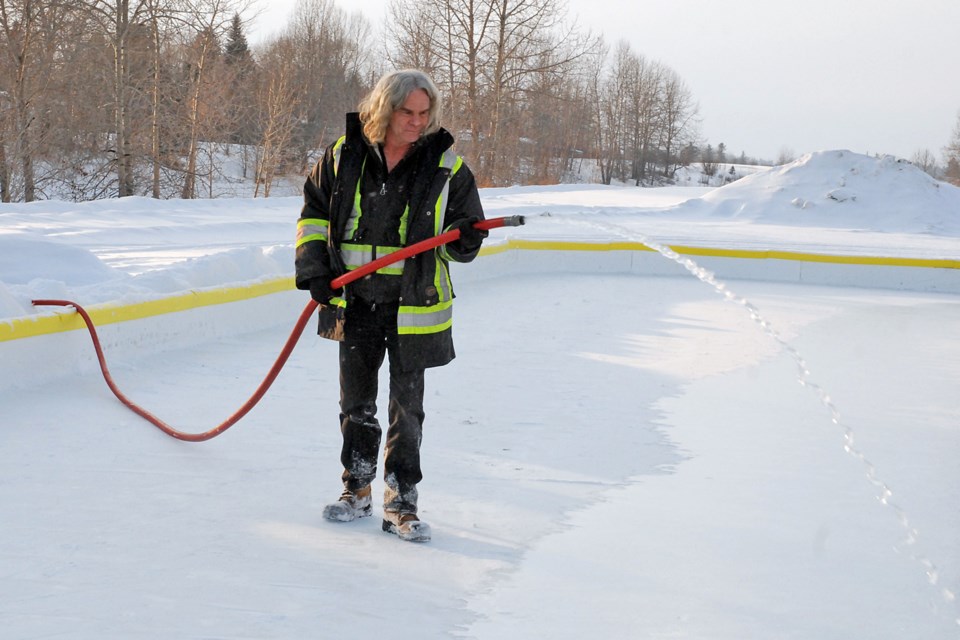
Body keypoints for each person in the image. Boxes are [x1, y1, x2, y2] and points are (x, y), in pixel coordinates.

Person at [294, 69, 487, 542]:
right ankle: (356, 488)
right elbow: (314, 213)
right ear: (385, 108)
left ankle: (401, 502)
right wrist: (314, 268)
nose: (417, 123)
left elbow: (468, 236)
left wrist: (465, 239)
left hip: (413, 304)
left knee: (407, 408)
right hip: (355, 300)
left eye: (425, 114)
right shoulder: (345, 154)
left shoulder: (447, 166)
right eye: (408, 113)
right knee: (355, 402)